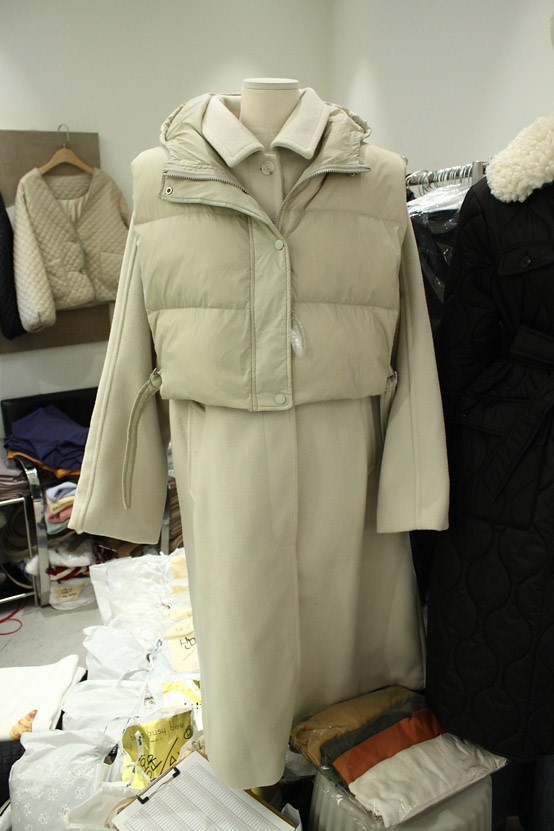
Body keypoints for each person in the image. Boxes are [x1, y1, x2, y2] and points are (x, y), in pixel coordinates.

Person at [70, 78, 449, 788]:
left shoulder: (378, 178)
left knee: (361, 705)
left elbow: (413, 353)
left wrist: (417, 492)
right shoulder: (161, 179)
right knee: (248, 689)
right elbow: (131, 356)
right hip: (226, 486)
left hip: (351, 489)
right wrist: (121, 498)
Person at [425, 19, 554, 827]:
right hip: (509, 464)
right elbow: (459, 365)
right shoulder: (501, 199)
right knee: (507, 671)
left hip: (505, 449)